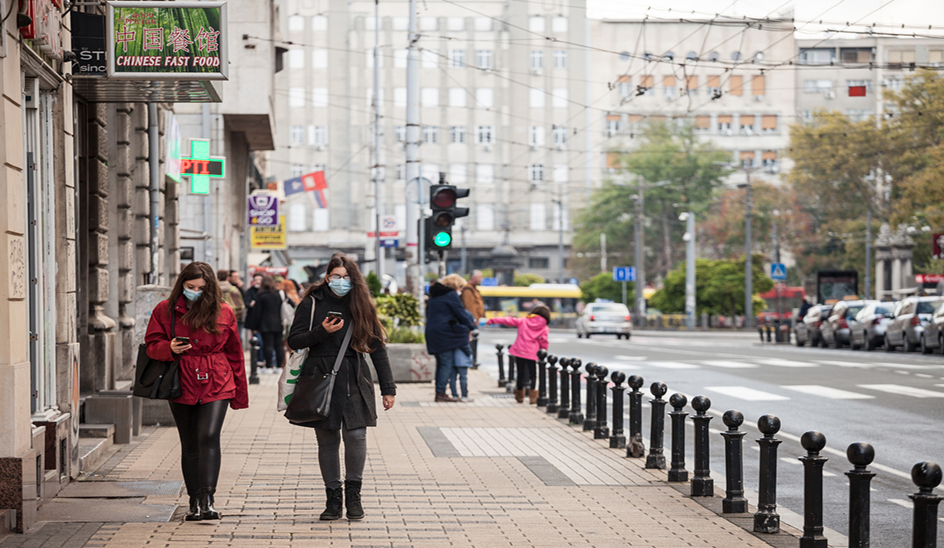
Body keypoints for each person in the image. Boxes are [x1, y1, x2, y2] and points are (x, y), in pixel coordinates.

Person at [287, 253, 396, 521]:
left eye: (346, 277)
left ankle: (354, 495)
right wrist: (322, 331)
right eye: (336, 277)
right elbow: (294, 340)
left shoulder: (361, 304)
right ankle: (333, 499)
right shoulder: (312, 303)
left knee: (357, 436)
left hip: (355, 376)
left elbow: (376, 348)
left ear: (354, 280)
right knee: (327, 440)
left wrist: (388, 388)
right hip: (321, 377)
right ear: (327, 277)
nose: (341, 282)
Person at [144, 261, 248, 522]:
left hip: (218, 378)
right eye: (190, 287)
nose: (195, 292)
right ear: (182, 285)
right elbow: (151, 345)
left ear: (210, 288)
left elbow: (235, 353)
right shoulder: (164, 310)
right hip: (181, 378)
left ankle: (208, 499)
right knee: (190, 442)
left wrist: (240, 394)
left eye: (201, 288)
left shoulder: (224, 311)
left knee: (209, 436)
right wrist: (169, 348)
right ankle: (193, 500)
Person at [426, 274, 477, 403]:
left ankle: (439, 391)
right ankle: (441, 393)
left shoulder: (435, 295)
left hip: (433, 332)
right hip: (444, 334)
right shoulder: (450, 295)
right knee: (446, 364)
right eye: (460, 287)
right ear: (455, 285)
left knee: (441, 363)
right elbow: (460, 313)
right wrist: (471, 326)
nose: (461, 290)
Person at [486, 305, 550, 404]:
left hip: (520, 351)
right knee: (533, 375)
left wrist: (493, 320)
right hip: (532, 353)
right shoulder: (544, 327)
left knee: (520, 374)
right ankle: (533, 397)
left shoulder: (524, 320)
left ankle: (519, 396)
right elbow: (544, 341)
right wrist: (543, 351)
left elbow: (508, 320)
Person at [244, 275, 285, 373]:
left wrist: (254, 326)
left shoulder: (260, 295)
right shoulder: (278, 294)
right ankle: (279, 367)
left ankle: (268, 367)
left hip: (265, 324)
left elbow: (257, 312)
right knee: (279, 345)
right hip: (279, 322)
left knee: (268, 345)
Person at [460, 270, 486, 367]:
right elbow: (469, 306)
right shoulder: (468, 289)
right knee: (471, 341)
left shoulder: (474, 289)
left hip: (475, 320)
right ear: (473, 278)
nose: (481, 279)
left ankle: (473, 360)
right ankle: (471, 361)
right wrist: (474, 320)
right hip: (471, 321)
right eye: (479, 277)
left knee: (474, 340)